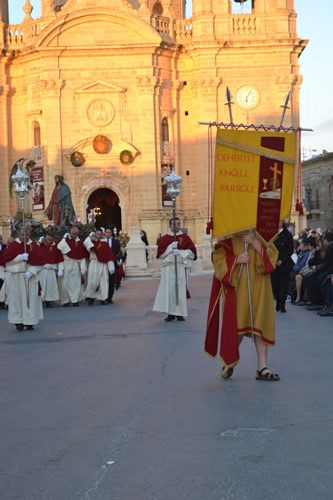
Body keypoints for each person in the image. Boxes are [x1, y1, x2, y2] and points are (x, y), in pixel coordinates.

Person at [205, 231, 280, 381]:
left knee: (260, 326)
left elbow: (271, 261)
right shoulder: (227, 235)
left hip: (260, 286)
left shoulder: (261, 233)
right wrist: (235, 260)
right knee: (237, 326)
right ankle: (230, 360)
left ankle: (262, 367)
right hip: (238, 289)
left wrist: (256, 243)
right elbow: (218, 260)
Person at [153, 217, 197, 321]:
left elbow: (192, 253)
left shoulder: (185, 238)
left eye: (178, 224)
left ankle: (180, 313)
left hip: (181, 268)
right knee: (170, 291)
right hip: (169, 269)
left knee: (180, 291)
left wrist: (181, 252)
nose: (176, 226)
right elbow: (161, 256)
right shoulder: (165, 239)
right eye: (173, 224)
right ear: (169, 225)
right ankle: (171, 313)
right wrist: (169, 249)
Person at [2, 228, 43, 331]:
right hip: (16, 277)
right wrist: (19, 257)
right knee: (17, 301)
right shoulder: (13, 246)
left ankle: (30, 322)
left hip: (29, 277)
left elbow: (40, 262)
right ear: (19, 234)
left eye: (27, 235)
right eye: (22, 235)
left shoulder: (34, 246)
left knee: (30, 300)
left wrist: (31, 272)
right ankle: (18, 321)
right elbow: (6, 262)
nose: (24, 237)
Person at [83, 229, 117, 305]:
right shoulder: (91, 242)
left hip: (103, 264)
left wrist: (111, 266)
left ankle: (102, 298)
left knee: (103, 282)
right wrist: (90, 236)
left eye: (100, 234)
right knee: (92, 282)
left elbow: (109, 255)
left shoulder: (105, 244)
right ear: (95, 235)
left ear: (102, 235)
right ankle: (91, 297)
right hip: (94, 263)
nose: (98, 235)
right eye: (97, 234)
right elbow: (86, 243)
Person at [57, 226, 88, 306]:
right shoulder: (65, 240)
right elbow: (59, 247)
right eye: (73, 234)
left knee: (76, 284)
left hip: (75, 264)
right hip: (66, 263)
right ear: (70, 233)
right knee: (65, 284)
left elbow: (82, 256)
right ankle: (66, 301)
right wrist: (64, 238)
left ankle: (75, 300)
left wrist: (83, 268)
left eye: (76, 234)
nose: (74, 235)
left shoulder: (80, 242)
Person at [271, 222, 294, 312]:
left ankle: (282, 305)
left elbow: (290, 249)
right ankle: (278, 300)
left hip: (284, 264)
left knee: (283, 286)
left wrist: (282, 260)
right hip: (274, 264)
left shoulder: (288, 235)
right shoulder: (272, 234)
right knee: (275, 286)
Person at [38, 232, 64, 307]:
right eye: (47, 239)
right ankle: (40, 301)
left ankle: (48, 301)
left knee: (50, 287)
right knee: (41, 286)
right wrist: (39, 242)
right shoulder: (41, 246)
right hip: (42, 270)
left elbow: (59, 258)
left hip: (51, 270)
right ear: (45, 239)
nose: (49, 241)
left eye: (50, 240)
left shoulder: (56, 247)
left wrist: (60, 269)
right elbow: (34, 251)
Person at [104, 228, 122, 303]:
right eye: (107, 232)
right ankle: (103, 296)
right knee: (104, 281)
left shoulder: (116, 242)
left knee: (111, 281)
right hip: (103, 263)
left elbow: (119, 252)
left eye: (109, 232)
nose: (108, 234)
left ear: (111, 233)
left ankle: (110, 297)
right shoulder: (101, 241)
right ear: (105, 233)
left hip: (113, 263)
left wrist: (120, 260)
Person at [0, 235, 7, 309]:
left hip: (2, 268)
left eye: (0, 239)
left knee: (2, 284)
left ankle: (2, 302)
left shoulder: (5, 246)